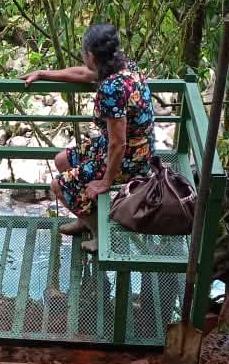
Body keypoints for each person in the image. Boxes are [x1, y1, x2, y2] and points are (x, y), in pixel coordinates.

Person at [23, 23, 153, 252]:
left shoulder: (112, 87)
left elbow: (118, 143)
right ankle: (84, 219)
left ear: (91, 55)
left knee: (58, 186)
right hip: (127, 146)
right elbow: (84, 74)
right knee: (61, 160)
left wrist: (106, 181)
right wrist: (43, 73)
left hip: (131, 156)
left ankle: (99, 234)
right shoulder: (122, 66)